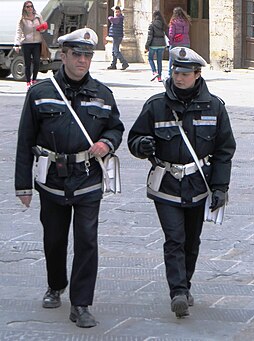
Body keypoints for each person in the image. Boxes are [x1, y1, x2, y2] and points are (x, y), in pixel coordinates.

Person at [15, 27, 124, 328]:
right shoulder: (40, 93)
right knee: (54, 238)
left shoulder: (103, 94)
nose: (83, 60)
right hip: (51, 180)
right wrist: (23, 185)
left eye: (88, 55)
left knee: (87, 240)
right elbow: (25, 140)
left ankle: (81, 303)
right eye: (77, 54)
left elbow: (116, 127)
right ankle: (55, 284)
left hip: (87, 177)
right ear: (63, 55)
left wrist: (107, 143)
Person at [128, 47, 236, 319]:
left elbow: (224, 150)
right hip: (166, 183)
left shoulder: (215, 107)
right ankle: (177, 291)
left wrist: (221, 188)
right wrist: (142, 145)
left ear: (197, 75)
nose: (179, 77)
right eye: (176, 71)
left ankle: (185, 285)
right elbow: (134, 139)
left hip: (198, 185)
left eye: (186, 73)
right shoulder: (156, 105)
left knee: (192, 240)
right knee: (174, 238)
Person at [14, 1, 47, 90]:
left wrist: (42, 28)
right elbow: (19, 31)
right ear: (24, 8)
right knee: (27, 64)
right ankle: (28, 81)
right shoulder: (22, 19)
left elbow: (43, 29)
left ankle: (34, 80)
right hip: (26, 43)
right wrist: (17, 44)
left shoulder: (38, 16)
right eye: (27, 7)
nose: (30, 8)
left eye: (31, 6)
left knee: (36, 62)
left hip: (37, 42)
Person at [145, 10, 168, 82]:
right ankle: (159, 77)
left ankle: (154, 72)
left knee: (150, 58)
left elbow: (150, 36)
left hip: (153, 44)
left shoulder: (152, 24)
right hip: (161, 44)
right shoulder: (163, 24)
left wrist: (146, 46)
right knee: (159, 61)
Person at [168, 7, 191, 77]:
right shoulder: (186, 21)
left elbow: (171, 33)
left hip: (176, 43)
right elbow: (186, 32)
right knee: (184, 58)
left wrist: (170, 42)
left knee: (172, 59)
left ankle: (170, 73)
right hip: (185, 42)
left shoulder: (173, 22)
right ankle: (184, 73)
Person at [107, 6, 129, 70]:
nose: (117, 13)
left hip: (117, 36)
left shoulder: (119, 18)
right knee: (114, 51)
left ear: (120, 12)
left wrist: (110, 17)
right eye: (116, 12)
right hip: (115, 36)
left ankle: (124, 63)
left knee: (116, 51)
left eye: (118, 12)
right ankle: (113, 64)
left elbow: (112, 19)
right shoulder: (117, 17)